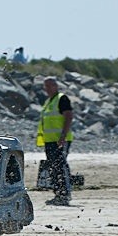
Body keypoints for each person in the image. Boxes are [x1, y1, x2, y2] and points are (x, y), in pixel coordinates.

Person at [36, 77, 73, 206]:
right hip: (50, 141)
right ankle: (58, 194)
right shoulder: (48, 102)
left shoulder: (62, 99)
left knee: (60, 166)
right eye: (46, 86)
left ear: (56, 86)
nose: (48, 88)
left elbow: (69, 116)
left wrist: (63, 136)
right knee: (53, 168)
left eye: (50, 85)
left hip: (60, 140)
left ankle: (64, 195)